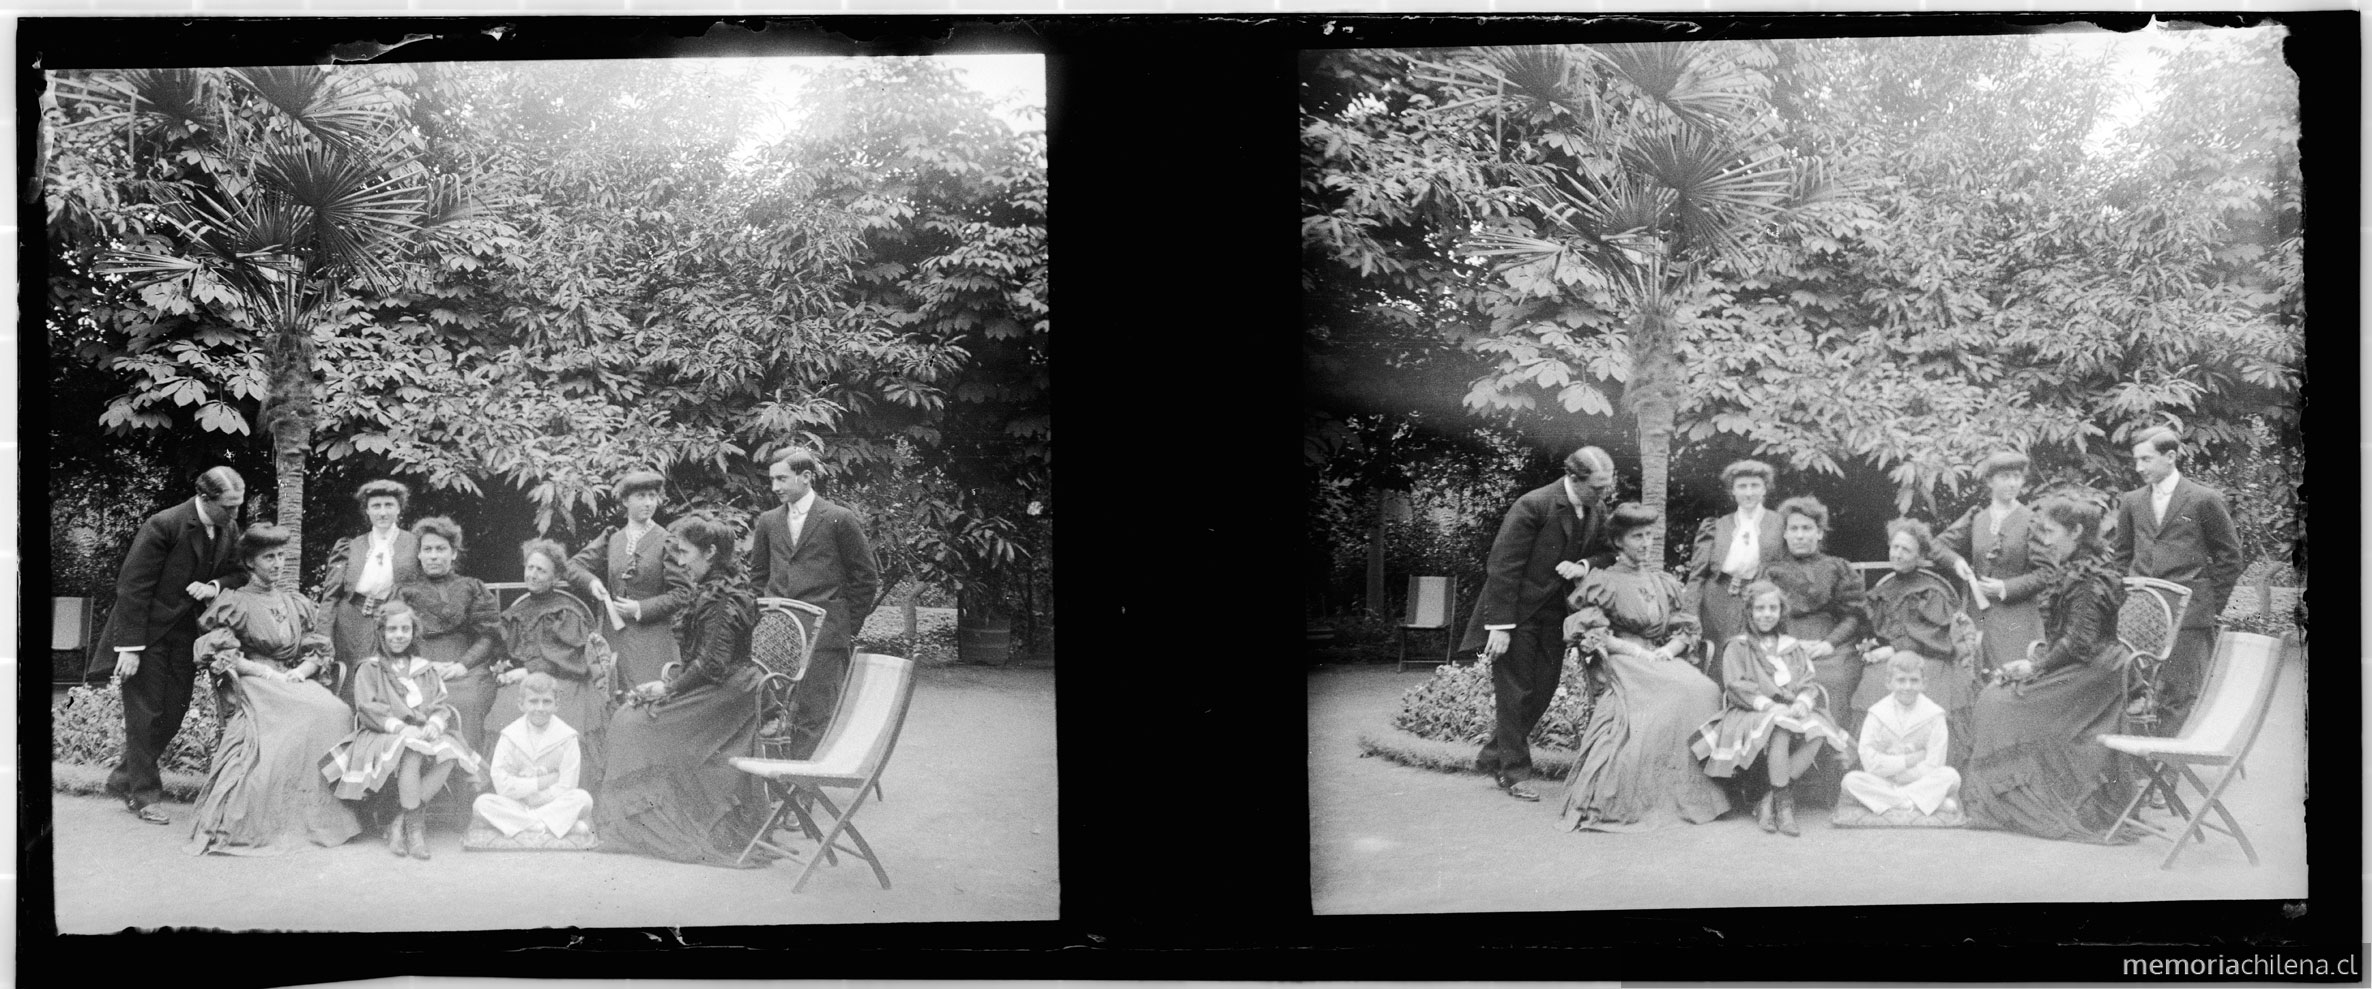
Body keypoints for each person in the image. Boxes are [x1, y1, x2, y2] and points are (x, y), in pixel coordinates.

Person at [596, 515, 780, 867]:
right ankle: (648, 820)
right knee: (629, 717)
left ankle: (653, 823)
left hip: (729, 695)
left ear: (710, 552)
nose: (679, 561)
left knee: (631, 723)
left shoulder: (724, 595)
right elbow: (705, 660)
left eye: (685, 552)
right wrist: (668, 685)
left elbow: (712, 664)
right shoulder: (713, 587)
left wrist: (666, 688)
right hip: (717, 684)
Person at [1963, 494, 2136, 843]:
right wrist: (2037, 661)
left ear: (2075, 532)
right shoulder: (2072, 568)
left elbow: (2079, 643)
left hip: (2097, 672)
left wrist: (2035, 666)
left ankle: (2016, 801)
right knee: (1996, 695)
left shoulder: (2089, 576)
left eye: (2052, 531)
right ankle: (2007, 799)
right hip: (2080, 663)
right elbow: (2068, 640)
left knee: (2000, 703)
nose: (2046, 539)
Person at [184, 524, 362, 855]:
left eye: (281, 556)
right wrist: (265, 673)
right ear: (250, 563)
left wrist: (301, 671)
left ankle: (322, 813)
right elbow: (223, 654)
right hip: (255, 679)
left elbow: (317, 649)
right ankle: (280, 817)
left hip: (290, 678)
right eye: (269, 557)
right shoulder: (234, 602)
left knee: (336, 711)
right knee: (302, 716)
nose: (277, 563)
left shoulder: (294, 602)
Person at [1457, 446, 1619, 801]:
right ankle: (1514, 773)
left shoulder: (1597, 507)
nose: (1604, 493)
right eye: (1597, 486)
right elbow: (1503, 565)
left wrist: (1583, 566)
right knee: (1514, 692)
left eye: (1606, 486)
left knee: (1543, 691)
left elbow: (1608, 552)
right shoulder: (1534, 505)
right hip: (1517, 614)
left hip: (1556, 615)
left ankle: (1492, 756)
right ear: (1574, 479)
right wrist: (1499, 626)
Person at [90, 466, 250, 825]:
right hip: (146, 635)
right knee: (144, 715)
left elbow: (239, 571)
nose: (235, 514)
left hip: (186, 636)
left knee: (174, 713)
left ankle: (123, 778)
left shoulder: (229, 527)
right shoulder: (164, 524)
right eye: (229, 506)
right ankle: (144, 795)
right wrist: (129, 648)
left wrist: (214, 586)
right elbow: (132, 587)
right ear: (205, 499)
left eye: (238, 507)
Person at [1558, 502, 1729, 832]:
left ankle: (1694, 793)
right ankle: (1651, 794)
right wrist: (1635, 652)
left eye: (1649, 535)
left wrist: (1668, 649)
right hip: (1623, 658)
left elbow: (1686, 628)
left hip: (1658, 657)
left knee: (1705, 688)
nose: (1645, 543)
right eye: (1637, 536)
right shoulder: (1604, 581)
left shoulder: (1661, 582)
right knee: (1680, 690)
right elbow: (1593, 632)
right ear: (1619, 542)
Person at [746, 446, 882, 761]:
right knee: (775, 708)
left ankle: (802, 790)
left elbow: (866, 578)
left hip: (825, 636)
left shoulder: (838, 518)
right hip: (778, 636)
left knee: (814, 713)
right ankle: (779, 783)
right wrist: (762, 620)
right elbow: (757, 578)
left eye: (782, 478)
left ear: (806, 477)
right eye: (772, 480)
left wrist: (846, 626)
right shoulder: (768, 521)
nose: (775, 487)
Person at [321, 602, 482, 859]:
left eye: (405, 629)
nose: (398, 635)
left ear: (413, 633)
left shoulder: (424, 669)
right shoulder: (370, 668)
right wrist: (401, 728)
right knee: (412, 751)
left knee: (450, 754)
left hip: (422, 732)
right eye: (392, 629)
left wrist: (433, 724)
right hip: (382, 733)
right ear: (381, 633)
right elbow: (368, 708)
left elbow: (441, 706)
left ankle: (402, 821)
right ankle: (416, 833)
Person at [1692, 581, 1852, 836]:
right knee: (1781, 727)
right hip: (1751, 711)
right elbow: (1736, 685)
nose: (1767, 614)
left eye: (1773, 608)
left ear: (1781, 612)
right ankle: (1785, 806)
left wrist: (1802, 702)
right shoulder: (1739, 646)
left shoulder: (1791, 646)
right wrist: (1770, 706)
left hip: (1791, 709)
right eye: (1760, 608)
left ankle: (1771, 797)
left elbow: (1808, 682)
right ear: (1749, 612)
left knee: (1818, 731)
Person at [2108, 428, 2241, 727]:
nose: (2139, 467)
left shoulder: (2203, 499)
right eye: (2136, 460)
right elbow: (2121, 556)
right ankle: (2138, 763)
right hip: (2141, 613)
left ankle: (2166, 769)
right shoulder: (2131, 501)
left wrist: (2207, 605)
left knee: (2179, 693)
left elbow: (2230, 557)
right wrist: (2124, 599)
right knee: (2134, 688)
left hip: (2189, 616)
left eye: (2146, 459)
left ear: (2170, 456)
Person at [1851, 518, 1977, 763]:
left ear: (1919, 556)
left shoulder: (1930, 590)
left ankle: (1933, 764)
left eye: (1905, 549)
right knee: (1872, 684)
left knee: (1934, 689)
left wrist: (1894, 649)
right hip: (1891, 658)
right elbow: (1873, 630)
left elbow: (1936, 638)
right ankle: (1879, 764)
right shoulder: (1883, 591)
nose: (1897, 554)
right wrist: (1871, 647)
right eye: (1894, 547)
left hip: (1930, 656)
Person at [489, 539, 609, 786]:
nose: (532, 575)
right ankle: (513, 789)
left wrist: (529, 671)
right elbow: (505, 650)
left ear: (555, 577)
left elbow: (571, 660)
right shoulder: (518, 612)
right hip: (525, 680)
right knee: (504, 711)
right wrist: (506, 670)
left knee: (566, 717)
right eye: (530, 567)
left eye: (541, 570)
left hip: (566, 679)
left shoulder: (565, 611)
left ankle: (566, 788)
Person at [564, 469, 693, 691]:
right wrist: (592, 582)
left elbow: (683, 593)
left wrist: (640, 608)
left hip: (653, 638)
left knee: (651, 698)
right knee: (616, 694)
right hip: (615, 636)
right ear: (625, 500)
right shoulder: (612, 538)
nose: (648, 503)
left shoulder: (666, 541)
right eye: (641, 496)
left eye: (653, 496)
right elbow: (572, 567)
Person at [1933, 451, 2050, 679]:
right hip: (1981, 617)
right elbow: (1936, 545)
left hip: (2018, 618)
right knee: (1979, 676)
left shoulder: (2031, 520)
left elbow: (2048, 572)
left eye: (2017, 476)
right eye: (2005, 476)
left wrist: (2006, 587)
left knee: (2015, 679)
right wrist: (1956, 561)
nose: (2013, 482)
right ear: (1989, 481)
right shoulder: (1977, 518)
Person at [392, 517, 502, 754]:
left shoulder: (472, 587)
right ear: (419, 555)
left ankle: (470, 775)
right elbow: (394, 636)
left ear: (453, 554)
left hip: (467, 668)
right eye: (427, 549)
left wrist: (464, 665)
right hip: (419, 666)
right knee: (420, 701)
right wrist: (422, 666)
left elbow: (488, 635)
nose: (433, 556)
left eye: (441, 549)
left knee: (469, 701)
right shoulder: (405, 592)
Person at [1760, 496, 1869, 728]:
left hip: (1831, 644)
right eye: (1794, 529)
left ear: (1819, 533)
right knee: (1783, 678)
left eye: (1807, 528)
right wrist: (1789, 643)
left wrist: (1830, 643)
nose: (1800, 535)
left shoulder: (1838, 567)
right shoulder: (1771, 571)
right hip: (1783, 643)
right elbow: (1759, 616)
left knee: (1837, 677)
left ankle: (1835, 751)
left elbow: (1853, 615)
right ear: (1785, 534)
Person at [315, 480, 423, 704]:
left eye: (388, 505)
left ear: (399, 508)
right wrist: (323, 637)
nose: (382, 512)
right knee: (349, 685)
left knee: (388, 683)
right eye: (376, 506)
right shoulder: (351, 546)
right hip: (350, 624)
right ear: (366, 510)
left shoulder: (414, 544)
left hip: (390, 624)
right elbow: (331, 596)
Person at [1686, 460, 1789, 662]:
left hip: (1759, 601)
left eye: (1754, 486)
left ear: (1765, 489)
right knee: (1716, 659)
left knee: (1755, 658)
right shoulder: (1716, 526)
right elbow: (1697, 576)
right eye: (1742, 486)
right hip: (1716, 603)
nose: (1748, 493)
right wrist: (1690, 615)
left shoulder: (1780, 524)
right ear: (1732, 491)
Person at [474, 672, 595, 840]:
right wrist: (541, 782)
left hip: (552, 803)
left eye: (546, 702)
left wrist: (538, 798)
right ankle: (550, 825)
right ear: (521, 704)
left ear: (556, 705)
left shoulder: (567, 737)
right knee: (482, 805)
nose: (540, 708)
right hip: (517, 804)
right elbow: (502, 784)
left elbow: (568, 785)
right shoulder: (510, 736)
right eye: (533, 701)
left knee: (583, 799)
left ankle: (525, 825)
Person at [1841, 652, 1963, 818]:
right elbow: (1870, 763)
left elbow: (1935, 764)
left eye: (1914, 680)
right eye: (1901, 680)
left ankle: (1894, 801)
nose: (1907, 687)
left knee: (1951, 777)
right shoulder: (1877, 714)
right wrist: (1908, 760)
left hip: (1919, 781)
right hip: (1883, 781)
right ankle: (1921, 802)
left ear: (1924, 684)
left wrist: (1897, 775)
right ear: (1888, 683)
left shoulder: (1934, 715)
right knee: (1850, 781)